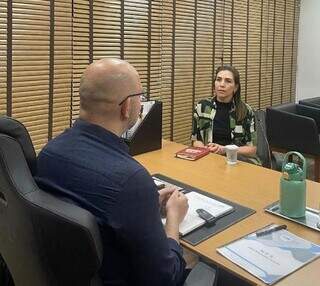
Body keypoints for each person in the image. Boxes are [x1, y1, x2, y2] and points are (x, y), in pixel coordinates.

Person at [35, 58, 189, 286]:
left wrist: (144, 207)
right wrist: (174, 219)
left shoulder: (49, 152)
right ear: (127, 107)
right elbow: (164, 278)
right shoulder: (131, 180)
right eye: (141, 96)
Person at [191, 65, 258, 163]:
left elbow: (252, 150)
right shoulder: (202, 107)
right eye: (218, 80)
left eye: (228, 81)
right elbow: (195, 140)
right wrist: (207, 150)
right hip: (209, 158)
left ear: (235, 87)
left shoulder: (246, 111)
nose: (222, 84)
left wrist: (224, 149)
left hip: (237, 161)